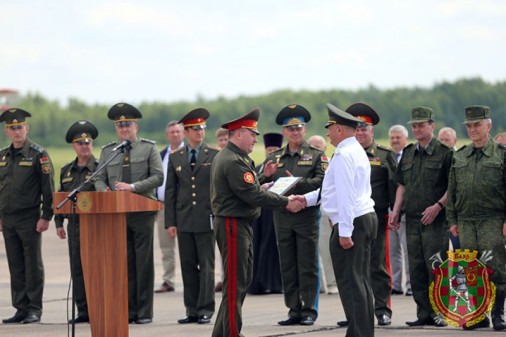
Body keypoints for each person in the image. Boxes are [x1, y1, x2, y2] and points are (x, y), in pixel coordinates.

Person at [210, 108, 303, 337]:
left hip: (238, 223)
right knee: (235, 284)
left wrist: (262, 179)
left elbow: (247, 189)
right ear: (239, 133)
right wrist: (285, 201)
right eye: (252, 134)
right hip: (233, 224)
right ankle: (232, 333)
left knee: (240, 281)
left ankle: (222, 333)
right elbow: (253, 196)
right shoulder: (232, 160)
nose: (255, 139)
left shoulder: (235, 157)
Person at [301, 103, 378, 337]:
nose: (327, 133)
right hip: (363, 218)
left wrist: (345, 231)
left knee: (351, 283)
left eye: (330, 127)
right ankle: (363, 331)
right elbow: (331, 190)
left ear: (340, 130)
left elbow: (345, 196)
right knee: (361, 281)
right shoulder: (354, 150)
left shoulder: (344, 154)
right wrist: (304, 199)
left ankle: (358, 333)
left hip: (352, 222)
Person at [95, 102, 164, 324]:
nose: (124, 129)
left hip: (141, 211)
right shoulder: (108, 150)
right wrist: (102, 190)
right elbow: (98, 176)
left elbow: (158, 176)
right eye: (120, 125)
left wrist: (133, 187)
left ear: (136, 127)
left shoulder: (148, 148)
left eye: (128, 125)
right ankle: (128, 310)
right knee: (124, 263)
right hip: (117, 213)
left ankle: (143, 312)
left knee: (142, 263)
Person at [259, 104, 325, 326]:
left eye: (299, 128)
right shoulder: (276, 157)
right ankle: (293, 309)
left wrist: (298, 184)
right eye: (291, 129)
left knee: (307, 264)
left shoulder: (317, 155)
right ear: (284, 133)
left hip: (306, 217)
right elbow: (260, 184)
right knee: (287, 264)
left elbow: (323, 182)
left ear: (304, 130)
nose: (296, 132)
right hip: (283, 217)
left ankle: (309, 309)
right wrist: (264, 175)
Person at [389, 106, 452, 327]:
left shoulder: (445, 153)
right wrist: (396, 211)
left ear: (431, 126)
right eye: (414, 125)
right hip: (413, 219)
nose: (416, 129)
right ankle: (423, 312)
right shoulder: (407, 154)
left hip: (435, 221)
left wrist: (438, 206)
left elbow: (452, 187)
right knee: (415, 268)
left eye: (421, 125)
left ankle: (439, 312)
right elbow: (401, 185)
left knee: (436, 266)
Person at [446, 105, 506, 330]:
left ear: (488, 126)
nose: (472, 129)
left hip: (492, 220)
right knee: (469, 270)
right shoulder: (461, 155)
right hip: (465, 223)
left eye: (477, 125)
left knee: (496, 268)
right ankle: (478, 314)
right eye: (469, 126)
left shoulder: (501, 154)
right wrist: (452, 220)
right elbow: (451, 191)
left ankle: (498, 313)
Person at [0, 108, 54, 324]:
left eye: (20, 127)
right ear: (7, 131)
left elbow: (48, 188)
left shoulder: (38, 154)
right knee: (15, 264)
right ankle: (20, 307)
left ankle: (34, 308)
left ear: (26, 128)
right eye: (13, 128)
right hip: (8, 218)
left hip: (30, 217)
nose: (17, 131)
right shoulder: (3, 155)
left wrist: (46, 215)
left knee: (32, 264)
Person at [345, 102, 396, 326]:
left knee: (378, 265)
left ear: (372, 131)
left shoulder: (384, 155)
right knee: (353, 267)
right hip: (350, 219)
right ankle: (355, 312)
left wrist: (395, 212)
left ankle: (382, 310)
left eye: (364, 128)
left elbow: (394, 185)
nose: (360, 132)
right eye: (356, 128)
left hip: (377, 218)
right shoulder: (345, 154)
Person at [165, 108, 218, 324]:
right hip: (184, 219)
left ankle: (205, 308)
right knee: (187, 266)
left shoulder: (213, 154)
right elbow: (171, 191)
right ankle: (192, 309)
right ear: (187, 132)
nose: (200, 132)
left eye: (203, 128)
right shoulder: (176, 157)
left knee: (206, 266)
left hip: (207, 218)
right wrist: (170, 222)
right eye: (196, 129)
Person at [54, 120, 99, 324]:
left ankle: (98, 308)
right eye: (80, 143)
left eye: (88, 143)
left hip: (96, 227)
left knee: (96, 269)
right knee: (77, 269)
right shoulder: (66, 170)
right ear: (74, 146)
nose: (85, 146)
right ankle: (83, 311)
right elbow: (62, 196)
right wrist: (58, 222)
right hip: (74, 226)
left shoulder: (100, 168)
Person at [249, 132, 284, 295]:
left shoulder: (284, 168)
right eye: (269, 149)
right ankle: (257, 282)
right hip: (259, 212)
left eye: (275, 149)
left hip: (274, 211)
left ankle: (275, 282)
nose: (271, 152)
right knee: (257, 245)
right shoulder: (257, 169)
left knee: (272, 247)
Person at [155, 121, 184, 294]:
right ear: (167, 135)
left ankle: (193, 279)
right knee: (166, 246)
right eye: (172, 132)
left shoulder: (190, 154)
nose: (175, 134)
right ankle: (168, 280)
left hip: (184, 206)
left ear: (183, 134)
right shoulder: (161, 155)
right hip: (163, 206)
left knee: (188, 244)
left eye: (178, 131)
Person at [308, 135, 338, 295]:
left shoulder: (328, 162)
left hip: (325, 207)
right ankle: (319, 284)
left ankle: (332, 282)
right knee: (313, 248)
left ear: (325, 148)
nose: (316, 149)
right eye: (312, 146)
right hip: (309, 206)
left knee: (326, 247)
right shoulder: (305, 162)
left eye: (318, 146)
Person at [388, 125, 412, 296]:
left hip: (406, 210)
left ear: (406, 139)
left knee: (408, 249)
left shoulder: (411, 157)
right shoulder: (387, 157)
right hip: (390, 209)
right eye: (392, 138)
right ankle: (396, 284)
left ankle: (410, 286)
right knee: (392, 250)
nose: (395, 141)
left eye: (398, 137)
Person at [437, 126, 461, 251]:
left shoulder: (461, 158)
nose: (444, 143)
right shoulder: (436, 158)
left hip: (456, 212)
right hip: (439, 212)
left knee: (458, 250)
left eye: (447, 140)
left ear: (455, 141)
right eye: (441, 140)